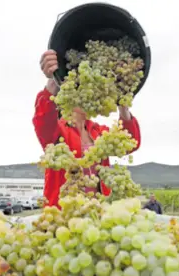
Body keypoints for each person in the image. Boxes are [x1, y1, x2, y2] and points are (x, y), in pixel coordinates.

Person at [33, 50, 142, 208]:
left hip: (97, 211)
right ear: (69, 96)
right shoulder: (58, 131)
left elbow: (131, 142)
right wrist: (52, 80)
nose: (87, 97)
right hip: (65, 213)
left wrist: (123, 106)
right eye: (80, 92)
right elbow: (43, 120)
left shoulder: (98, 132)